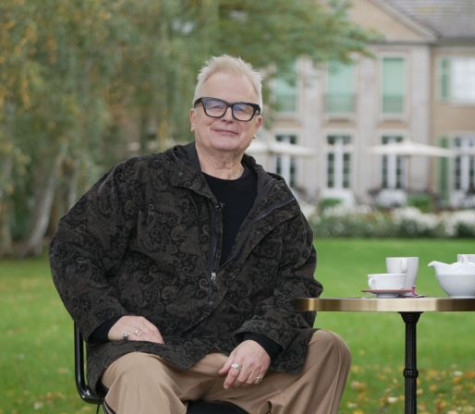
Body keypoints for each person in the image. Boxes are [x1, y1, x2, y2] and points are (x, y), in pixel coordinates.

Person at [50, 55, 351, 414]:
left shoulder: (277, 202)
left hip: (239, 363)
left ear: (257, 124)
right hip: (153, 355)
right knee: (140, 374)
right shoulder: (138, 179)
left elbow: (298, 283)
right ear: (193, 117)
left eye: (242, 108)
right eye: (214, 105)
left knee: (328, 349)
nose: (228, 116)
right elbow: (72, 248)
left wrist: (263, 340)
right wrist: (113, 320)